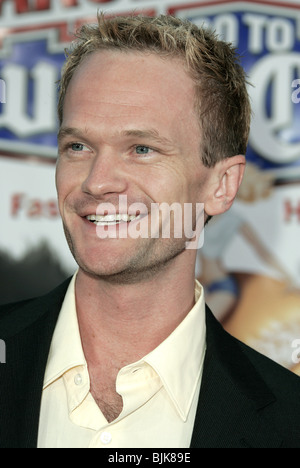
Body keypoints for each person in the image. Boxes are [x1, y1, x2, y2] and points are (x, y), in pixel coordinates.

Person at [0, 13, 299, 449]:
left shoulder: (290, 422)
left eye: (142, 149)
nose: (98, 181)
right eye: (78, 146)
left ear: (222, 185)